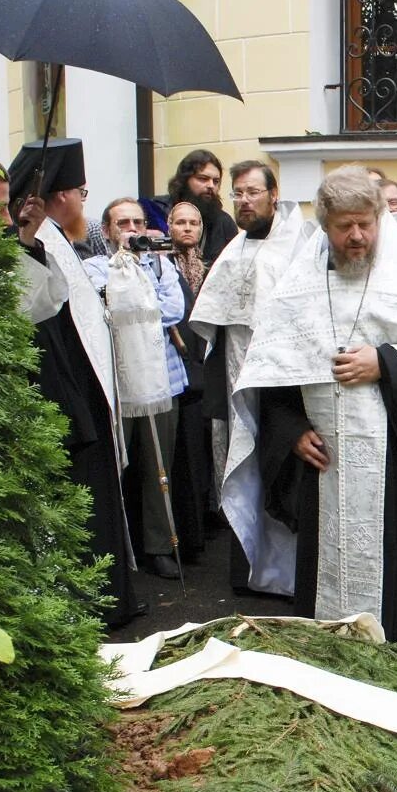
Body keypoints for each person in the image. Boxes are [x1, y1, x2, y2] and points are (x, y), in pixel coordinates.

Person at [232, 166, 397, 649]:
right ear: (325, 223)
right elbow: (270, 376)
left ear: (380, 219)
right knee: (326, 584)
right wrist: (290, 430)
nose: (357, 237)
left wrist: (386, 362)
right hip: (325, 470)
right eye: (344, 227)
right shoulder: (298, 292)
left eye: (366, 224)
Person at [6, 137, 139, 624]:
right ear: (61, 196)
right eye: (81, 191)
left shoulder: (56, 238)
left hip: (83, 391)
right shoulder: (35, 239)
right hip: (58, 395)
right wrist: (23, 241)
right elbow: (38, 310)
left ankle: (111, 596)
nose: (85, 200)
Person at [190, 161, 316, 595]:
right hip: (234, 373)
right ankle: (253, 569)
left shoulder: (297, 247)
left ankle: (287, 575)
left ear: (273, 194)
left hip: (281, 380)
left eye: (252, 193)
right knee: (245, 465)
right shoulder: (233, 248)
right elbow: (214, 320)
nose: (243, 201)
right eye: (237, 194)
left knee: (282, 464)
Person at [84, 198, 188, 580]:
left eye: (138, 222)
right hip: (118, 386)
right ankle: (116, 549)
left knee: (159, 469)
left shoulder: (160, 263)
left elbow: (174, 310)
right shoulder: (94, 267)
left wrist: (134, 298)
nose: (131, 229)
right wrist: (130, 290)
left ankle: (160, 547)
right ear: (109, 230)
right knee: (117, 470)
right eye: (122, 222)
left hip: (164, 381)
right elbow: (103, 310)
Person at [163, 200, 213, 563]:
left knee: (199, 455)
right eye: (180, 222)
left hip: (203, 371)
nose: (187, 228)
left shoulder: (208, 269)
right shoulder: (162, 267)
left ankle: (200, 530)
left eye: (193, 222)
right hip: (177, 371)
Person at [164, 149, 239, 263]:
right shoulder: (159, 212)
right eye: (203, 179)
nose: (211, 186)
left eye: (216, 181)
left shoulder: (225, 224)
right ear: (185, 180)